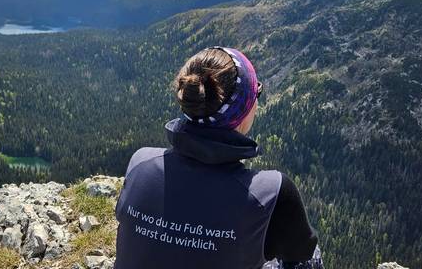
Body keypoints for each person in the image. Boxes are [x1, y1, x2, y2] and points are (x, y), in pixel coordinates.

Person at [114, 46, 323, 269]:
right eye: (257, 93)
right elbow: (302, 249)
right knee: (309, 260)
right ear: (244, 109)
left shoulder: (140, 162)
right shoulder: (271, 192)